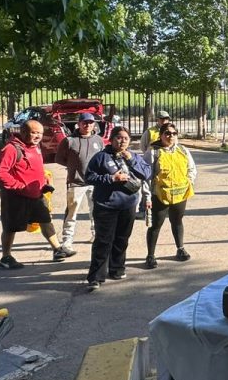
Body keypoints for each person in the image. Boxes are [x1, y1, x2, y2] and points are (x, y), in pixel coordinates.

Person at [83, 126, 151, 290]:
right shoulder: (101, 157)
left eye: (126, 138)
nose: (122, 141)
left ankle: (117, 269)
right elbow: (89, 177)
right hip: (106, 205)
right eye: (119, 138)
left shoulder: (133, 156)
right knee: (103, 241)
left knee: (122, 239)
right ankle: (96, 277)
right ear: (112, 139)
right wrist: (111, 178)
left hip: (127, 205)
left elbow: (147, 173)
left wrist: (132, 161)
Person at [0, 120, 67, 268]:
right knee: (11, 226)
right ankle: (6, 257)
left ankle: (57, 249)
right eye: (33, 132)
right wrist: (19, 186)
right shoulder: (11, 149)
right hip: (15, 196)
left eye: (39, 133)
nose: (37, 136)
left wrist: (44, 180)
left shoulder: (35, 147)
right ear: (23, 132)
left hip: (36, 194)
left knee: (45, 220)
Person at [143, 124, 197, 268]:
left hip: (180, 194)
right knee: (156, 225)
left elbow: (191, 168)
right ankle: (150, 255)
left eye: (174, 133)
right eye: (167, 133)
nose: (171, 136)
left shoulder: (182, 150)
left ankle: (180, 249)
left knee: (177, 221)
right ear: (161, 135)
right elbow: (146, 176)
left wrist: (188, 182)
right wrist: (147, 196)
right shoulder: (153, 152)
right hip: (159, 195)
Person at [54, 111, 105, 255]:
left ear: (94, 124)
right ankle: (67, 242)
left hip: (95, 182)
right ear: (79, 124)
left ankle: (96, 235)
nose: (87, 125)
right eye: (84, 122)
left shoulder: (98, 140)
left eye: (90, 122)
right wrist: (72, 167)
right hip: (76, 182)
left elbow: (102, 159)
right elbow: (59, 158)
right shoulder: (69, 141)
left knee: (96, 210)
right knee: (71, 213)